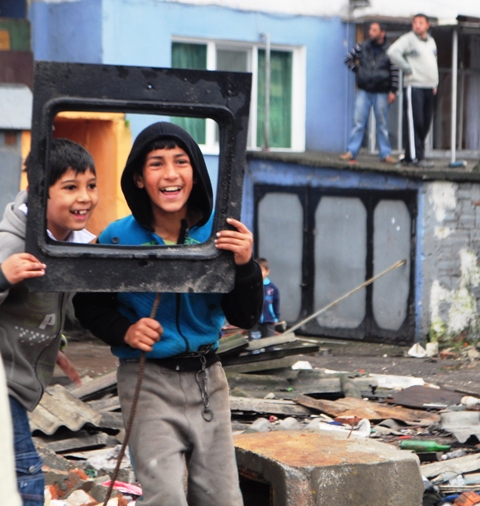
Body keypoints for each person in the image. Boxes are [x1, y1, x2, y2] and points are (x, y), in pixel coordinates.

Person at [73, 121, 263, 506]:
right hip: (148, 382)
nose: (171, 174)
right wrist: (125, 331)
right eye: (156, 164)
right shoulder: (115, 238)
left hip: (209, 381)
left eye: (181, 162)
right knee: (165, 498)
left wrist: (245, 266)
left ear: (195, 172)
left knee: (222, 499)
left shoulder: (220, 234)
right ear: (139, 178)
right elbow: (88, 306)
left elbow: (246, 316)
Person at [0, 138, 98, 505]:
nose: (84, 197)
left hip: (21, 377)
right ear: (39, 192)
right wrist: (2, 276)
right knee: (25, 474)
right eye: (70, 187)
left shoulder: (67, 242)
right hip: (4, 382)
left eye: (91, 186)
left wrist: (53, 346)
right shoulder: (12, 243)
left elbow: (38, 307)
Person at [340, 22, 399, 164]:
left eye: (374, 30)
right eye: (370, 30)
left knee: (382, 124)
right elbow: (348, 59)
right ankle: (351, 152)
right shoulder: (362, 46)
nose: (370, 32)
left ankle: (385, 154)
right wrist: (359, 72)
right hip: (364, 90)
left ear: (382, 33)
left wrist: (393, 90)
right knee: (358, 122)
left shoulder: (390, 50)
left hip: (382, 91)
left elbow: (394, 70)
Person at [387, 13, 439, 168]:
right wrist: (407, 68)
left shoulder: (431, 41)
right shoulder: (408, 39)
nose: (417, 25)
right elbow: (392, 52)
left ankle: (414, 155)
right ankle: (415, 157)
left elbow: (433, 62)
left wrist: (434, 83)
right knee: (415, 121)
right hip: (414, 85)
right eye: (415, 22)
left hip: (429, 86)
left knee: (426, 123)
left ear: (427, 25)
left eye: (420, 22)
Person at [249, 257, 280, 338]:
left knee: (269, 342)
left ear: (267, 272)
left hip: (268, 320)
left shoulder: (272, 288)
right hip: (253, 321)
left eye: (261, 271)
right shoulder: (250, 286)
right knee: (254, 344)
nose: (258, 273)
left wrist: (276, 318)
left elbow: (276, 303)